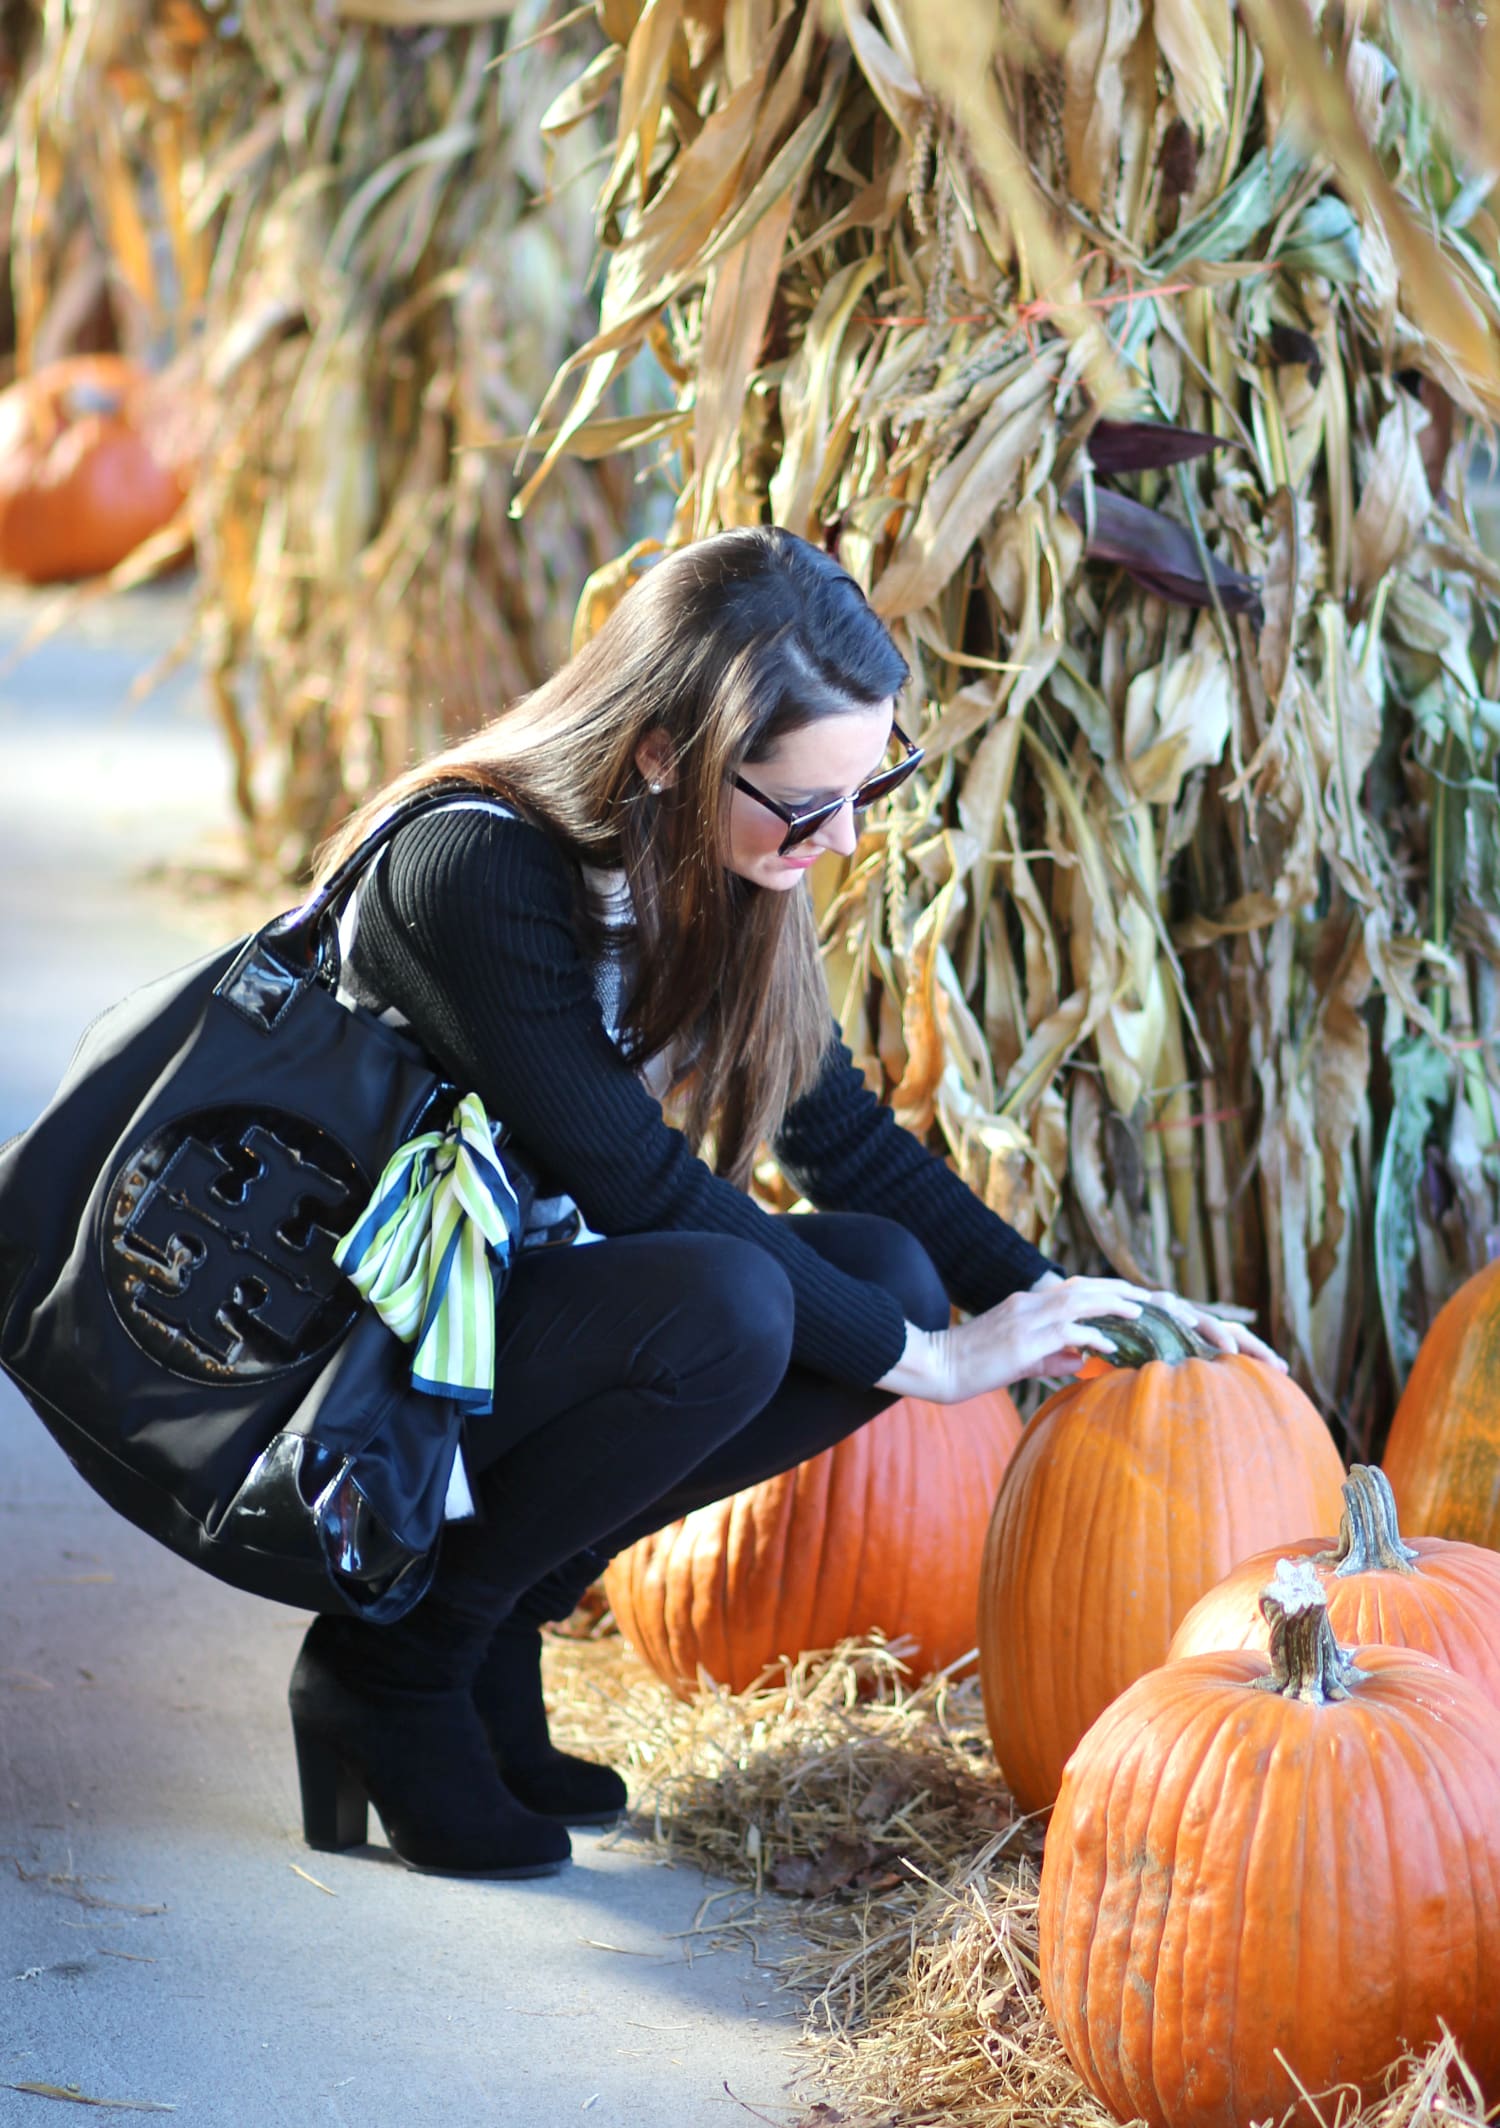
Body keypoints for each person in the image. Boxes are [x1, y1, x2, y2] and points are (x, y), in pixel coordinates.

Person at [288, 525, 1282, 1881]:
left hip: (488, 1316)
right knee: (734, 1307)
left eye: (868, 789)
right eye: (808, 805)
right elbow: (633, 1185)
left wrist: (1063, 1305)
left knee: (876, 1267)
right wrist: (930, 1365)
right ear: (659, 750)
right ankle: (392, 1666)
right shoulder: (477, 869)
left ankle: (495, 1618)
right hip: (354, 1349)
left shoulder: (713, 867)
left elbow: (849, 1150)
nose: (843, 837)